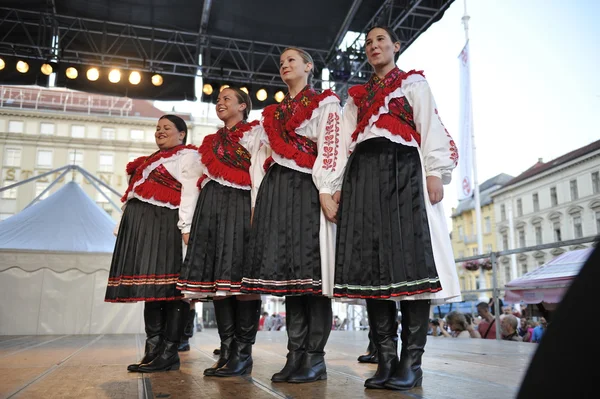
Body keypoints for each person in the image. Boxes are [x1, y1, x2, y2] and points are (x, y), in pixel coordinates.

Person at [330, 26, 461, 391]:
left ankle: (411, 362)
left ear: (396, 47)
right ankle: (386, 360)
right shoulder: (355, 99)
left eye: (380, 41)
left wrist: (435, 172)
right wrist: (337, 186)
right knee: (373, 269)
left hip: (403, 173)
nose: (373, 46)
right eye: (369, 43)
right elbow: (343, 145)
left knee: (410, 262)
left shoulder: (413, 84)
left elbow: (429, 126)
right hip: (363, 178)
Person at [241, 47, 342, 384]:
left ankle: (314, 359)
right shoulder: (272, 113)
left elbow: (331, 146)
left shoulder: (325, 102)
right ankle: (295, 354)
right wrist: (257, 202)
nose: (285, 65)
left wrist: (327, 189)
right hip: (277, 189)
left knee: (311, 278)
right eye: (281, 62)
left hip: (306, 187)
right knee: (290, 280)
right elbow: (260, 159)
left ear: (309, 67)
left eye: (292, 60)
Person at [177, 87, 264, 377]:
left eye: (227, 98)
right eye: (218, 99)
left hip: (240, 206)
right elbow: (193, 182)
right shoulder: (210, 142)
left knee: (241, 279)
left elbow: (259, 176)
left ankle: (243, 353)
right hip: (211, 207)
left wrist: (257, 212)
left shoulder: (255, 135)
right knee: (219, 283)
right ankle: (227, 351)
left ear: (243, 106)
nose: (220, 102)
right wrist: (187, 224)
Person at [105, 114, 202, 373]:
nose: (160, 131)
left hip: (168, 227)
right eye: (157, 128)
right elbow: (132, 196)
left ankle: (170, 351)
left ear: (182, 134)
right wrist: (123, 227)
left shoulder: (188, 157)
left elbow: (191, 193)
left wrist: (187, 227)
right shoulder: (149, 162)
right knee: (151, 289)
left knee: (172, 291)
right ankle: (153, 349)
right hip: (145, 230)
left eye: (167, 128)